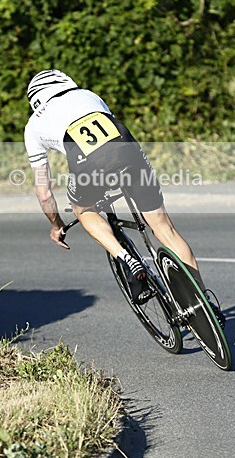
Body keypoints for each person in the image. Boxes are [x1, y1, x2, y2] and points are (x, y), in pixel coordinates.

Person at [24, 69, 223, 322]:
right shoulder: (88, 95)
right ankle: (204, 304)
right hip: (127, 150)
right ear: (66, 83)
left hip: (88, 165)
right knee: (165, 230)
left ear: (35, 100)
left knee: (83, 209)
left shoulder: (33, 127)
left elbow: (43, 194)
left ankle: (125, 257)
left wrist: (56, 225)